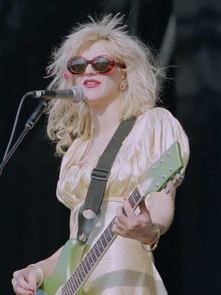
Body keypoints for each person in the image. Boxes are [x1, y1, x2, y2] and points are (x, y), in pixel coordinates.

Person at [12, 14, 189, 295]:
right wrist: (37, 270)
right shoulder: (78, 150)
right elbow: (78, 244)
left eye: (103, 64)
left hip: (125, 279)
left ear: (125, 75)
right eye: (79, 66)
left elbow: (161, 209)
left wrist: (146, 229)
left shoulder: (152, 125)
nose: (90, 72)